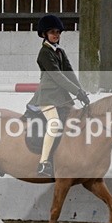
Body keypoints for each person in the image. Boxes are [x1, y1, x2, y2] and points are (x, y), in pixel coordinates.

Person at [28, 14, 90, 177]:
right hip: (47, 97)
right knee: (54, 124)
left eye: (58, 32)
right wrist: (76, 92)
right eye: (52, 32)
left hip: (62, 97)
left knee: (76, 120)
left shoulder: (60, 52)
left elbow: (69, 73)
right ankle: (43, 163)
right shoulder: (44, 53)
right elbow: (57, 76)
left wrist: (81, 90)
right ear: (44, 34)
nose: (56, 35)